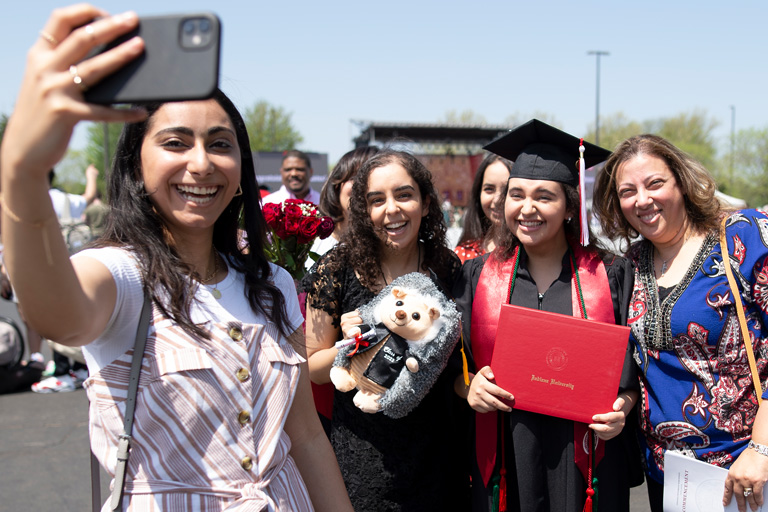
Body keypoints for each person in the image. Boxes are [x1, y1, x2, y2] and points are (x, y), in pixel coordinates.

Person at [1, 6, 352, 510]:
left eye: (220, 144)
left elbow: (308, 439)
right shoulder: (121, 276)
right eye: (174, 142)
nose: (201, 163)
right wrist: (23, 169)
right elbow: (54, 313)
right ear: (136, 163)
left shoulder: (272, 283)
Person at [453, 119, 641, 512]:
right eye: (516, 195)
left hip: (586, 457)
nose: (527, 208)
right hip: (507, 453)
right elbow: (457, 368)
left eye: (544, 196)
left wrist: (621, 411)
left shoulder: (610, 274)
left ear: (570, 206)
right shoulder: (477, 275)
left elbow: (634, 373)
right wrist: (468, 388)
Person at [592, 133, 768, 512]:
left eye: (655, 183)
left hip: (747, 469)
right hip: (671, 477)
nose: (642, 199)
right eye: (627, 191)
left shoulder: (742, 237)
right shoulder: (631, 266)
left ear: (682, 183)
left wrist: (761, 448)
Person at [302, 149, 470, 510]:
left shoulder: (447, 267)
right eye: (376, 200)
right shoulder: (337, 267)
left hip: (437, 460)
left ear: (425, 204)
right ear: (365, 211)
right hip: (360, 461)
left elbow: (456, 362)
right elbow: (312, 369)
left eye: (403, 195)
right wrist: (353, 343)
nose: (391, 209)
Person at [307, 145, 379, 271]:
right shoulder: (310, 244)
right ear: (337, 185)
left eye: (373, 179)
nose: (363, 187)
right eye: (355, 178)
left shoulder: (392, 249)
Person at [454, 153, 513, 263]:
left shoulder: (531, 254)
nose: (497, 200)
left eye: (507, 190)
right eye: (489, 189)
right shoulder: (464, 254)